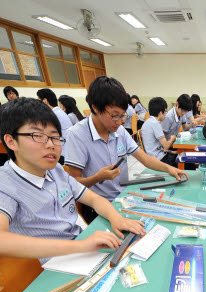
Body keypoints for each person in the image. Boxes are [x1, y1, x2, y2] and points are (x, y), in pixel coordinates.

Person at [0, 98, 145, 264]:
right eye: (38, 136)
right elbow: (2, 240)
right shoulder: (5, 184)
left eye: (55, 137)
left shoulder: (56, 171)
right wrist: (82, 245)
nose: (51, 145)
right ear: (11, 141)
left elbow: (94, 198)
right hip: (49, 268)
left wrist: (117, 219)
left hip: (79, 253)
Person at [65, 76, 188, 223]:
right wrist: (98, 178)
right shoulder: (77, 135)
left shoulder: (119, 131)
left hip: (123, 197)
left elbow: (145, 158)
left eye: (122, 115)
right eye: (114, 115)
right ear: (95, 107)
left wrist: (170, 169)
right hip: (99, 208)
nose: (120, 121)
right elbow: (74, 184)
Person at [37, 88, 72, 163]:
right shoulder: (59, 112)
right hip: (67, 150)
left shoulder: (53, 115)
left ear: (45, 101)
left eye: (39, 101)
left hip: (62, 154)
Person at [141, 97, 178, 167]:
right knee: (183, 162)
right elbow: (166, 146)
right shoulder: (155, 124)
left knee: (177, 154)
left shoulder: (148, 122)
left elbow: (161, 148)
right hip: (159, 160)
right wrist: (173, 138)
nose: (166, 114)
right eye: (165, 112)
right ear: (161, 112)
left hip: (154, 156)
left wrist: (172, 152)